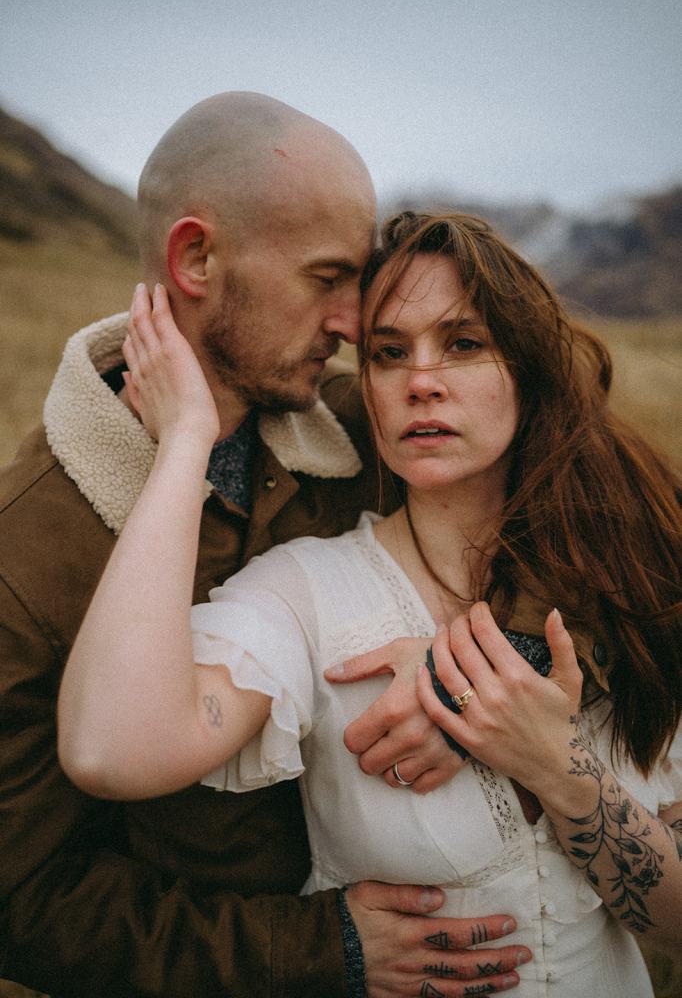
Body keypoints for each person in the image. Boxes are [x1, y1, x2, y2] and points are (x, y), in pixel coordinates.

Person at [59, 210, 682, 997]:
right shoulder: (304, 594)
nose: (421, 378)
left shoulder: (623, 585)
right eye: (389, 354)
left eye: (462, 343)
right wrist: (188, 442)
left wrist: (554, 764)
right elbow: (109, 751)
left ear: (526, 368)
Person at [0, 96, 530, 998]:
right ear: (196, 258)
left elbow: (584, 523)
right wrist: (321, 949)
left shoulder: (367, 431)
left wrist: (497, 660)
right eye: (326, 278)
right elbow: (25, 900)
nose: (354, 324)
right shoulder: (26, 554)